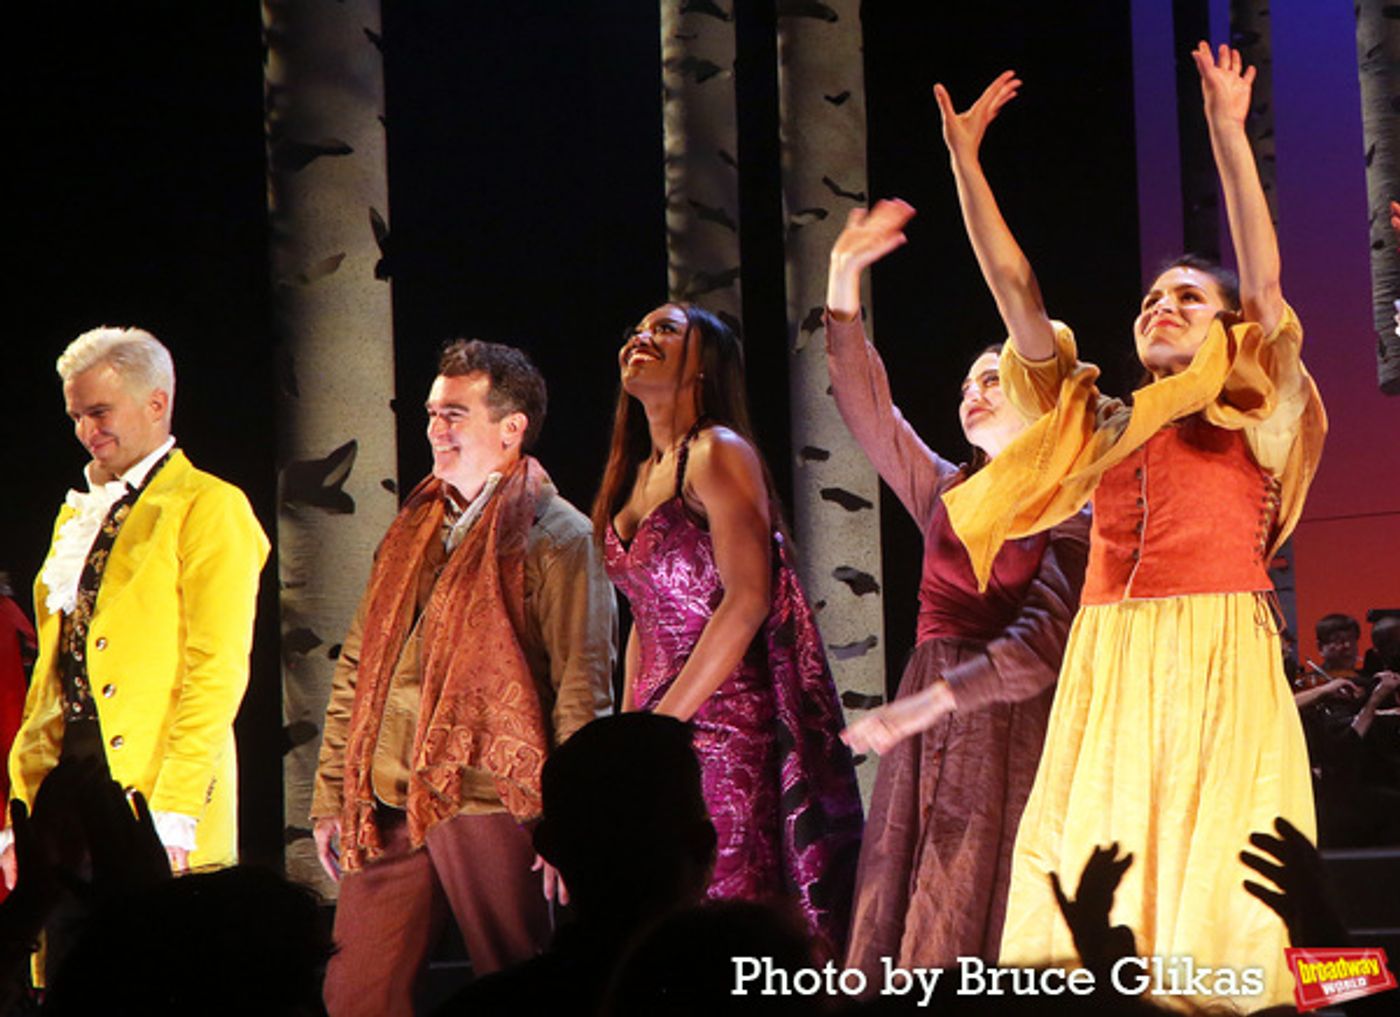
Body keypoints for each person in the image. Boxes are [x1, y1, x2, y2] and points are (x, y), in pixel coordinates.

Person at [933, 45, 1326, 1008]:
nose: (1162, 305)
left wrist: (1230, 134)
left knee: (1234, 872)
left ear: (1227, 327)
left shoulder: (1261, 404)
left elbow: (1268, 294)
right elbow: (1018, 297)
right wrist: (966, 166)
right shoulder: (1098, 422)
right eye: (1153, 298)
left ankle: (1317, 997)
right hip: (1108, 661)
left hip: (1216, 651)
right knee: (1102, 868)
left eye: (1190, 297)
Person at [311, 339, 616, 1016]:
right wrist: (334, 790)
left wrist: (570, 821)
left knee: (521, 983)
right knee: (355, 992)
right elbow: (360, 666)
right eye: (431, 413)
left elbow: (581, 685)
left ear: (512, 428)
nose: (435, 428)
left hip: (493, 798)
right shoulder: (414, 526)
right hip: (387, 794)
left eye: (454, 413)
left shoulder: (556, 533)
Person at [825, 199, 1090, 974]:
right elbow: (867, 407)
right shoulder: (943, 489)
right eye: (968, 381)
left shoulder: (1071, 503)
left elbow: (1042, 640)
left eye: (994, 380)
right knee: (906, 907)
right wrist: (843, 276)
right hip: (927, 711)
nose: (971, 391)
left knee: (991, 899)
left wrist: (930, 703)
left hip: (1011, 719)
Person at [594, 303, 863, 958]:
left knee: (725, 913)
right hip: (663, 727)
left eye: (665, 330)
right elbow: (644, 616)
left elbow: (745, 602)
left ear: (704, 367)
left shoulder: (718, 451)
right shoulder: (630, 474)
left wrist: (658, 727)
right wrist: (635, 727)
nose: (641, 336)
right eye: (636, 327)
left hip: (727, 731)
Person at [2, 326, 267, 878]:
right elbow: (53, 673)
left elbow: (215, 669)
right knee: (66, 952)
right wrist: (18, 804)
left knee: (157, 951)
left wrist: (178, 805)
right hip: (63, 775)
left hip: (152, 781)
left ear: (156, 403)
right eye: (76, 416)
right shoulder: (77, 513)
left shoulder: (208, 505)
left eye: (99, 413)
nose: (85, 431)